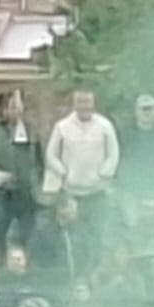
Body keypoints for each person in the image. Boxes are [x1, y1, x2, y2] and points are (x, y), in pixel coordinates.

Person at [0, 89, 43, 270]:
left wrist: (38, 183)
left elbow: (39, 160)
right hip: (2, 193)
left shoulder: (31, 130)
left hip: (26, 192)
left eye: (19, 106)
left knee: (28, 233)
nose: (16, 111)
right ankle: (0, 269)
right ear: (2, 109)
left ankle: (25, 269)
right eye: (11, 107)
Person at [43, 87, 119, 240]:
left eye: (88, 102)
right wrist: (63, 172)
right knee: (75, 235)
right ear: (74, 104)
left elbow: (114, 153)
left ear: (93, 103)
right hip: (71, 193)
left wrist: (105, 172)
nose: (85, 106)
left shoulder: (105, 126)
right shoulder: (62, 127)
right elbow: (51, 155)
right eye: (81, 102)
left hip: (97, 193)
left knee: (97, 234)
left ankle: (97, 264)